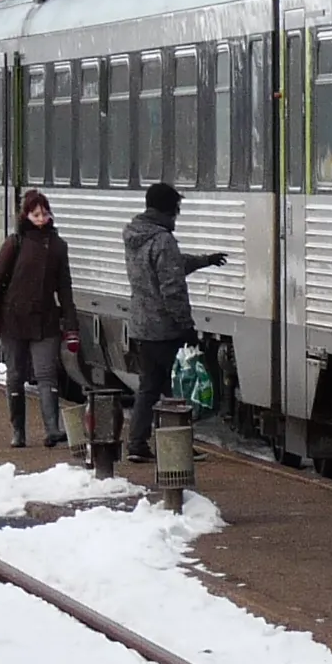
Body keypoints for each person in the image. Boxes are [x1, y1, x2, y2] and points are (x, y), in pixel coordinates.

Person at [117, 181, 229, 461]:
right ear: (169, 208)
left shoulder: (137, 235)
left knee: (149, 387)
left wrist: (205, 260)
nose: (178, 214)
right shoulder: (163, 240)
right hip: (166, 329)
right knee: (177, 391)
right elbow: (172, 287)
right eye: (177, 208)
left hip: (143, 325)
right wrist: (186, 326)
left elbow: (171, 264)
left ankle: (137, 444)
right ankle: (176, 446)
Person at [0, 187, 77, 452]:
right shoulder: (15, 243)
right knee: (15, 376)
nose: (41, 219)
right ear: (26, 216)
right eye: (36, 214)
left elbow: (65, 289)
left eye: (44, 214)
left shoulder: (58, 247)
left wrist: (71, 328)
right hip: (13, 320)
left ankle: (52, 429)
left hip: (45, 320)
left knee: (47, 374)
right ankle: (18, 431)